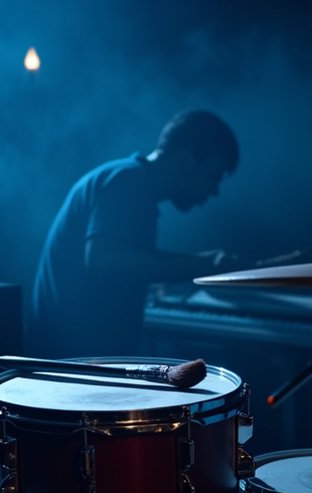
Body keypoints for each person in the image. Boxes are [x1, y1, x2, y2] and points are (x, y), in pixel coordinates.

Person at [28, 108, 243, 359]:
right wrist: (206, 264)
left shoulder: (124, 177)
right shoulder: (129, 182)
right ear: (185, 161)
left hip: (73, 357)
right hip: (71, 362)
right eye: (213, 177)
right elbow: (103, 259)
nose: (215, 191)